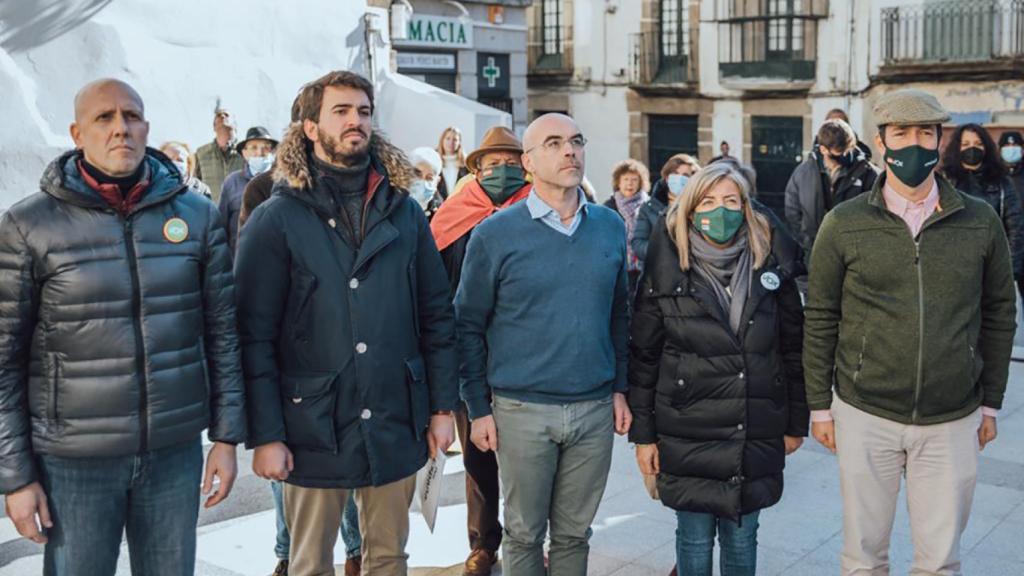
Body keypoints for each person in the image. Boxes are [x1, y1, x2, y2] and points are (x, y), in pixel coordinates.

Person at [0, 78, 245, 576]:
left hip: (173, 454)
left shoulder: (196, 216)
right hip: (74, 463)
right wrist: (16, 477)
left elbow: (222, 333)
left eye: (131, 116)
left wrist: (225, 438)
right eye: (104, 118)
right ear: (77, 133)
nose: (120, 129)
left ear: (147, 127)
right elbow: (4, 360)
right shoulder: (30, 225)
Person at [235, 70, 458, 576]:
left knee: (387, 558)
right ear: (310, 127)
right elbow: (252, 335)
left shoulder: (404, 211)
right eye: (340, 111)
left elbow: (437, 315)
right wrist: (265, 434)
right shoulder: (277, 217)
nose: (354, 121)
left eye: (362, 111)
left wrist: (443, 406)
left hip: (394, 414)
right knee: (309, 562)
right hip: (311, 423)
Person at [804, 89, 1016, 576]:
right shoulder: (844, 223)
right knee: (863, 559)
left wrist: (990, 403)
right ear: (881, 142)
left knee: (941, 561)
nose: (914, 145)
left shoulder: (979, 222)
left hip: (952, 418)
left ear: (940, 142)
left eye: (925, 133)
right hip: (865, 412)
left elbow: (1000, 311)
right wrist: (820, 406)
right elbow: (820, 316)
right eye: (902, 133)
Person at [456, 113, 632, 576]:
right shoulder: (494, 234)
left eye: (576, 140)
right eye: (553, 143)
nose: (569, 151)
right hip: (521, 410)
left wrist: (619, 388)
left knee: (575, 535)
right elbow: (467, 324)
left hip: (594, 408)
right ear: (528, 163)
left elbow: (619, 314)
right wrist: (477, 408)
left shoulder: (610, 227)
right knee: (523, 534)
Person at [629, 161, 808, 576]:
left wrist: (795, 422)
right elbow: (644, 355)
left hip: (754, 425)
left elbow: (793, 349)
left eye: (731, 200)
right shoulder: (666, 265)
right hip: (687, 428)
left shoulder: (770, 264)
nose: (720, 210)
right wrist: (644, 436)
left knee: (743, 537)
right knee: (692, 537)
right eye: (708, 201)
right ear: (690, 209)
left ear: (747, 208)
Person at [429, 125, 532, 576]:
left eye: (512, 163)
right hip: (468, 357)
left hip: (526, 358)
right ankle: (483, 544)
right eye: (494, 164)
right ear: (476, 170)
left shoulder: (539, 211)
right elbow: (433, 287)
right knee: (478, 460)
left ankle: (529, 543)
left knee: (530, 463)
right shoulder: (454, 213)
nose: (503, 171)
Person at [940, 123, 1024, 300]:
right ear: (957, 147)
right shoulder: (944, 181)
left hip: (993, 270)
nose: (972, 148)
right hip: (952, 271)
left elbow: (1016, 228)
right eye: (966, 144)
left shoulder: (1001, 182)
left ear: (986, 147)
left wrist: (1010, 271)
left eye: (978, 143)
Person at [785, 119, 879, 256]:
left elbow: (876, 213)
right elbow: (792, 210)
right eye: (838, 154)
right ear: (823, 149)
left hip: (855, 254)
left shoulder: (868, 173)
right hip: (814, 251)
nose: (845, 157)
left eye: (848, 151)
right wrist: (807, 240)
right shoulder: (803, 173)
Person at [632, 154, 700, 265]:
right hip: (660, 272)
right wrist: (663, 251)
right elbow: (638, 244)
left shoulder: (699, 207)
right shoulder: (649, 208)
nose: (679, 178)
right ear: (667, 177)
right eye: (675, 174)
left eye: (685, 175)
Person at [218, 126, 278, 252]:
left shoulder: (283, 181)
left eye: (266, 147)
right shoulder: (232, 182)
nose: (260, 152)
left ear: (273, 152)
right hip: (239, 257)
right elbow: (221, 226)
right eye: (254, 147)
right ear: (244, 153)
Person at [604, 159, 651, 296]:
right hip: (618, 267)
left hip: (645, 268)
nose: (629, 183)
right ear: (618, 182)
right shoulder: (609, 207)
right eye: (626, 179)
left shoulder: (649, 206)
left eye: (634, 179)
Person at [194, 105, 245, 203]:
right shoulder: (201, 154)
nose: (222, 116)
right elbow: (194, 185)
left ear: (235, 125)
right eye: (218, 115)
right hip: (212, 212)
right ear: (214, 126)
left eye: (226, 115)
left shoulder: (245, 151)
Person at [436, 126, 470, 203]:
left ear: (459, 143)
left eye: (455, 140)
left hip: (460, 206)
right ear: (442, 140)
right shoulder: (434, 161)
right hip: (438, 207)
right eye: (448, 138)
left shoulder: (467, 164)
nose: (451, 142)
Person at [409, 146, 442, 213]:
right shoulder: (389, 205)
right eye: (417, 174)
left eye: (429, 178)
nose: (421, 181)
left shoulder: (442, 213)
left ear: (437, 182)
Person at [999, 130, 1024, 209]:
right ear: (1000, 150)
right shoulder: (992, 173)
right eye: (1007, 145)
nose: (1011, 148)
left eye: (1015, 145)